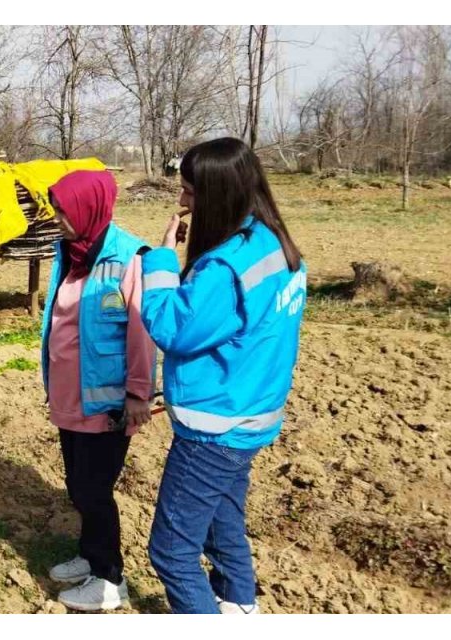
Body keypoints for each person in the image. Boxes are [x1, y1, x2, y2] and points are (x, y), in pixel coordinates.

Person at [141, 137, 307, 614]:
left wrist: (160, 260)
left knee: (171, 551)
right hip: (252, 418)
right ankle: (238, 606)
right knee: (222, 521)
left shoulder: (224, 268)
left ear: (217, 195)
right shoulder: (274, 246)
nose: (182, 202)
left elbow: (173, 328)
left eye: (190, 192)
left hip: (214, 428)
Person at [39, 170, 156, 612]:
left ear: (88, 208)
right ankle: (90, 555)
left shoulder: (128, 258)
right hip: (69, 396)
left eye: (64, 211)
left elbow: (141, 333)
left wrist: (138, 395)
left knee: (94, 489)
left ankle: (110, 579)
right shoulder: (68, 252)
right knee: (77, 484)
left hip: (106, 404)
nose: (57, 219)